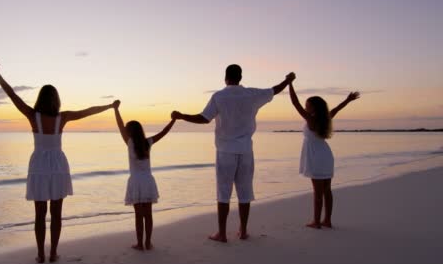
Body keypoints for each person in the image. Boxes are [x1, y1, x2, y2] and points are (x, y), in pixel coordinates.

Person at [0, 62, 117, 263]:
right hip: (58, 164)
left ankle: (41, 254)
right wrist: (109, 106)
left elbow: (12, 95)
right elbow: (88, 111)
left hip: (39, 164)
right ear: (56, 100)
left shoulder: (33, 116)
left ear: (39, 99)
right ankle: (52, 253)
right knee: (56, 213)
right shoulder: (63, 117)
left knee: (40, 214)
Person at [172, 64, 294, 242]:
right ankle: (243, 231)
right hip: (245, 151)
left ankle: (221, 233)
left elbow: (204, 118)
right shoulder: (252, 94)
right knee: (244, 193)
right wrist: (288, 81)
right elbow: (274, 90)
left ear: (225, 77)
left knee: (223, 193)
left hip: (225, 151)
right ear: (241, 77)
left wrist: (182, 116)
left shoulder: (219, 96)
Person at [288, 80, 360, 229]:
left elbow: (295, 103)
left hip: (316, 157)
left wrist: (290, 84)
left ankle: (316, 221)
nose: (306, 107)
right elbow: (337, 109)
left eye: (308, 105)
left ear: (314, 107)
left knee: (318, 193)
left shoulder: (311, 119)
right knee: (327, 190)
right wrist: (348, 100)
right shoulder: (325, 118)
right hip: (325, 155)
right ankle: (327, 220)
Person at [113, 100, 176, 251]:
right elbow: (163, 132)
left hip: (135, 181)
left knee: (138, 215)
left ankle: (140, 244)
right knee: (148, 215)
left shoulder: (129, 143)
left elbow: (120, 126)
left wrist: (115, 109)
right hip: (148, 181)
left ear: (130, 132)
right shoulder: (148, 142)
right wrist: (173, 120)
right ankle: (148, 242)